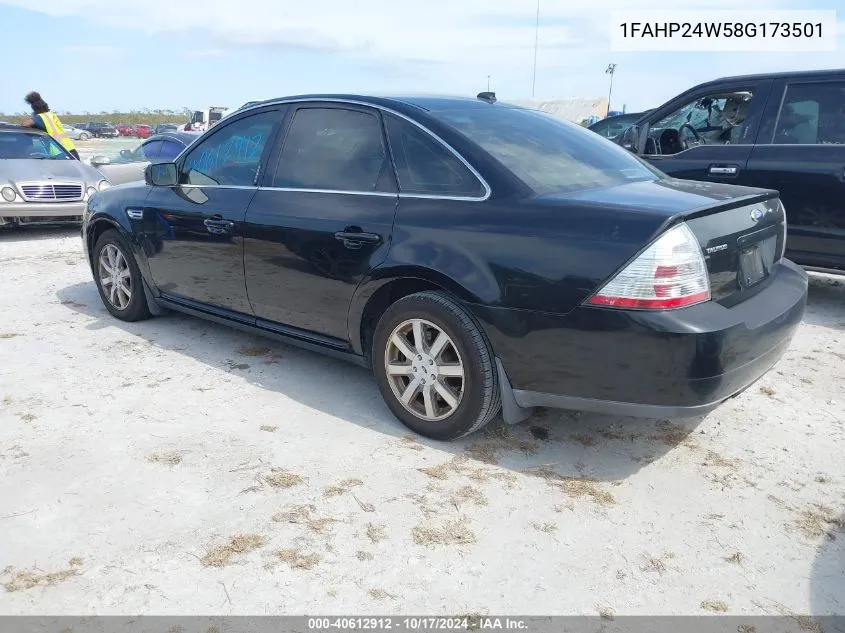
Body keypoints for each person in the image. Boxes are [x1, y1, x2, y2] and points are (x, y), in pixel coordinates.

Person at [18, 91, 80, 159]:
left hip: (58, 152)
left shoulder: (40, 117)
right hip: (70, 150)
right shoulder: (52, 115)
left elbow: (24, 124)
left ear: (34, 108)